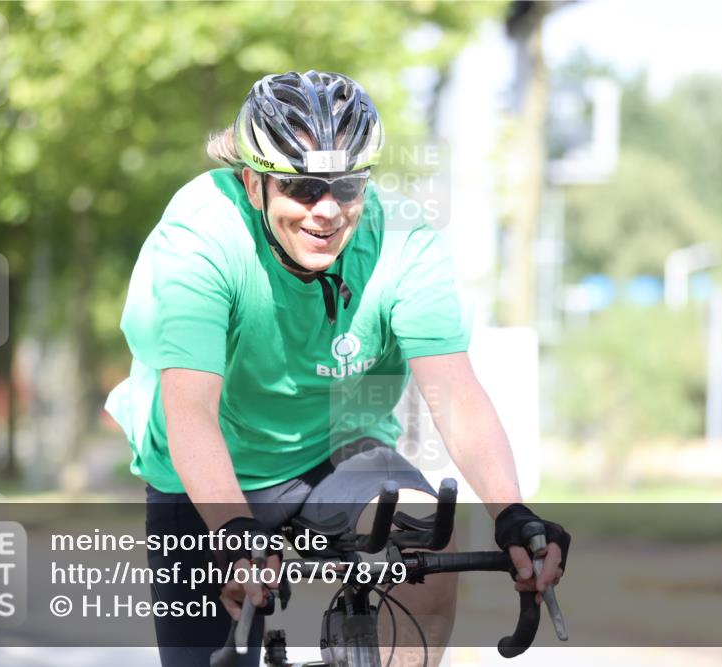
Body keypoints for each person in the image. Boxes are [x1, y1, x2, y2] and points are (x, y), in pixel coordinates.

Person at [106, 69, 570, 667]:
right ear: (254, 184)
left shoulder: (405, 240)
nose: (326, 211)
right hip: (205, 467)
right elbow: (190, 411)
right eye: (301, 188)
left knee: (430, 527)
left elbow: (454, 390)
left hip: (334, 449)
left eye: (346, 186)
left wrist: (511, 512)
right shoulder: (201, 235)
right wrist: (232, 532)